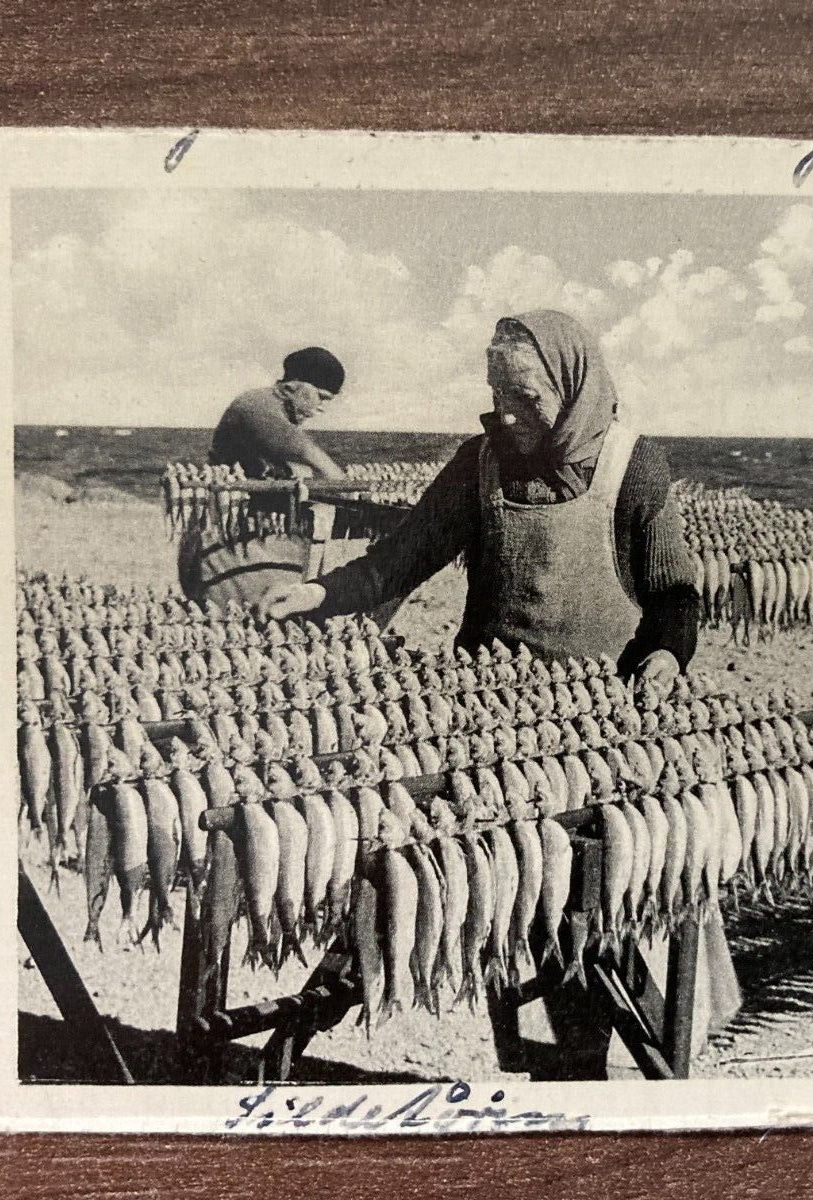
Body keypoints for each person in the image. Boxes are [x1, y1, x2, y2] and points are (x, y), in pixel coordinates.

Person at [259, 309, 741, 1078]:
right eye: (497, 394)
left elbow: (674, 592)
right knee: (443, 876)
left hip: (597, 725)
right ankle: (323, 1025)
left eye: (527, 398)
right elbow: (403, 558)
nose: (509, 414)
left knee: (589, 908)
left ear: (573, 385)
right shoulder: (479, 463)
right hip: (488, 715)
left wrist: (662, 657)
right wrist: (319, 594)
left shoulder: (631, 466)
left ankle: (587, 1066)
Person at [177, 347, 347, 609]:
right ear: (294, 385)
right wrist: (344, 485)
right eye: (320, 397)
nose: (320, 408)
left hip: (261, 537)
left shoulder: (278, 411)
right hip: (230, 540)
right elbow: (305, 451)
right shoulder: (255, 406)